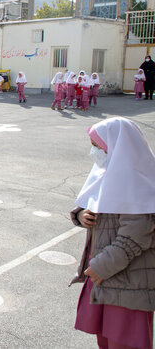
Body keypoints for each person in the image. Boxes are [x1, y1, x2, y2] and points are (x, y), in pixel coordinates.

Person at [71, 117, 155, 349]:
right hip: (107, 276)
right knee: (106, 340)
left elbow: (134, 237)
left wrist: (100, 266)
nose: (94, 152)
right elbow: (89, 199)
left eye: (97, 146)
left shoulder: (138, 182)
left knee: (125, 341)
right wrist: (80, 215)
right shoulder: (109, 171)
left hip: (128, 281)